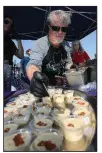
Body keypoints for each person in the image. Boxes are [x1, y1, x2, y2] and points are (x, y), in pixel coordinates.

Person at [26, 10, 73, 97]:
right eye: (56, 28)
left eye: (64, 29)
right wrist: (34, 79)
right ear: (49, 27)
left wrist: (71, 70)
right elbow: (33, 64)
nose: (60, 32)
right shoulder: (40, 43)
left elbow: (68, 63)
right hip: (45, 91)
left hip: (64, 90)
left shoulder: (66, 45)